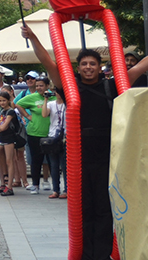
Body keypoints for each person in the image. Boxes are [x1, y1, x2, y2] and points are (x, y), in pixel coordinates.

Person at [22, 25, 148, 258]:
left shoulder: (111, 85)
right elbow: (49, 63)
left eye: (92, 64)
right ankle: (86, 253)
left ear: (99, 67)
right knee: (82, 207)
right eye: (84, 64)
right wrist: (33, 38)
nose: (88, 68)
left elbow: (140, 67)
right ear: (78, 68)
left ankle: (101, 253)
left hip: (108, 155)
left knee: (104, 207)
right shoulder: (71, 87)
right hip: (79, 155)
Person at [15, 76, 51, 193]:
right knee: (36, 159)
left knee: (51, 160)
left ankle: (51, 183)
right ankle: (35, 184)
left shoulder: (53, 96)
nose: (39, 88)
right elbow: (18, 104)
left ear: (47, 86)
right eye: (37, 86)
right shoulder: (31, 97)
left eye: (41, 85)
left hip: (50, 133)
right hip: (34, 132)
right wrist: (27, 116)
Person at [40, 86, 66, 198]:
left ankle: (67, 189)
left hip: (66, 136)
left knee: (65, 166)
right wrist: (45, 99)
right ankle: (56, 189)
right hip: (53, 136)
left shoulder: (68, 104)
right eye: (56, 92)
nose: (58, 94)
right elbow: (44, 114)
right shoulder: (51, 104)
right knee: (54, 165)